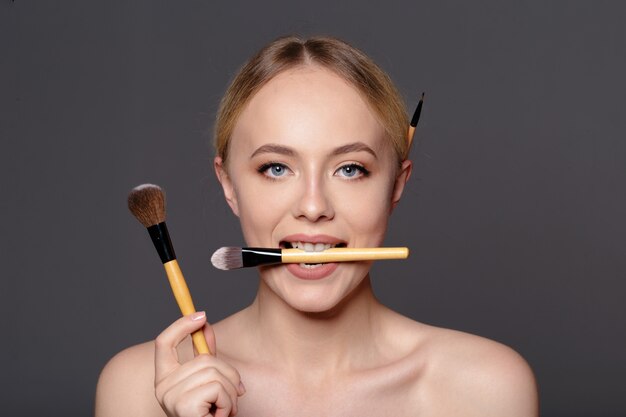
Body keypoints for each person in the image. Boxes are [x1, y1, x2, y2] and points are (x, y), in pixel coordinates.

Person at [95, 36, 538, 417]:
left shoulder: (486, 389)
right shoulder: (137, 389)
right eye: (275, 168)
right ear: (229, 185)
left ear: (396, 184)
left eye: (349, 169)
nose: (312, 206)